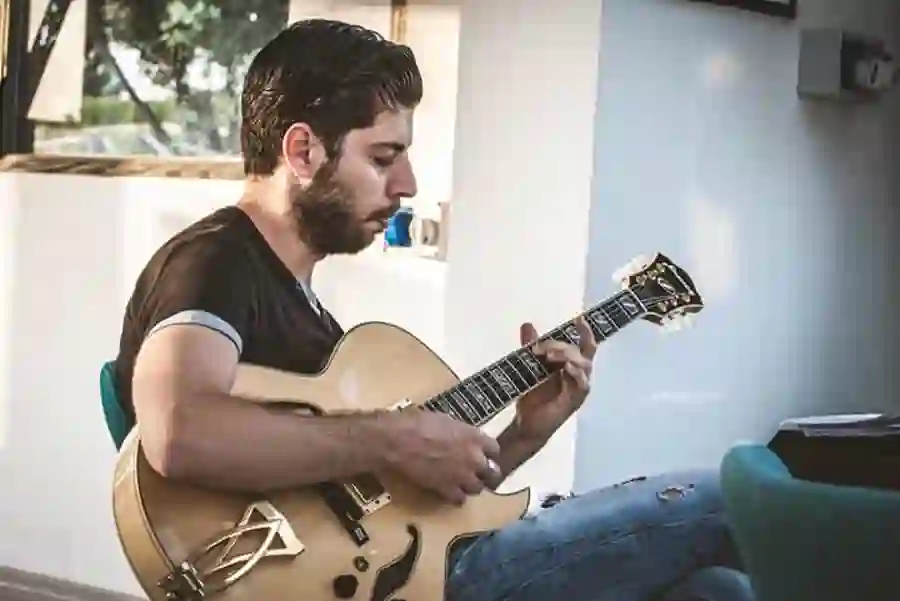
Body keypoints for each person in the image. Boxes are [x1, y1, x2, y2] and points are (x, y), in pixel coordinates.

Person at [114, 19, 751, 601]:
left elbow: (404, 512)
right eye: (383, 158)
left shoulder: (305, 313)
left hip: (421, 568)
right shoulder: (213, 262)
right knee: (736, 497)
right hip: (418, 587)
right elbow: (179, 431)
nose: (408, 184)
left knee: (717, 591)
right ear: (303, 152)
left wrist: (526, 431)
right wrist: (396, 435)